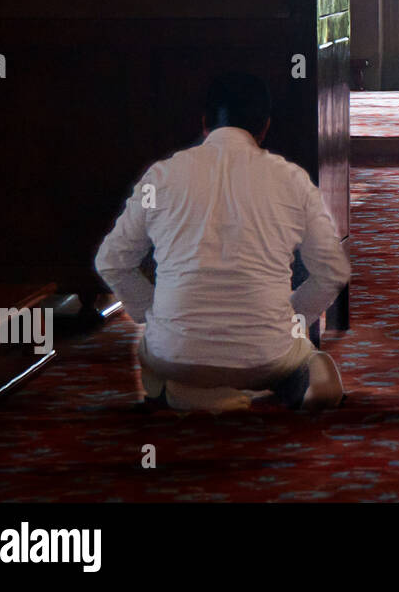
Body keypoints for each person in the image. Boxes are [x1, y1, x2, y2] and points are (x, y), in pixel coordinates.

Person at [95, 72, 351, 411]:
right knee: (297, 331)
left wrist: (152, 312)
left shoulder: (160, 177)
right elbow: (332, 271)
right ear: (264, 128)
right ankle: (300, 379)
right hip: (266, 354)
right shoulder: (292, 180)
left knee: (158, 357)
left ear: (204, 123)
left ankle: (192, 392)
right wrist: (290, 317)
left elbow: (111, 261)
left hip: (175, 354)